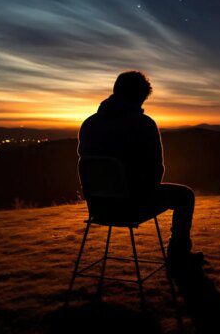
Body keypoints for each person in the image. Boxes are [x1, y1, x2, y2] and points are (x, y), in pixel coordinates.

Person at [78, 70, 202, 270]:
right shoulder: (143, 124)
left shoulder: (89, 124)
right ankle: (178, 258)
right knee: (185, 195)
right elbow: (156, 171)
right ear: (140, 97)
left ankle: (179, 257)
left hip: (98, 208)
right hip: (131, 207)